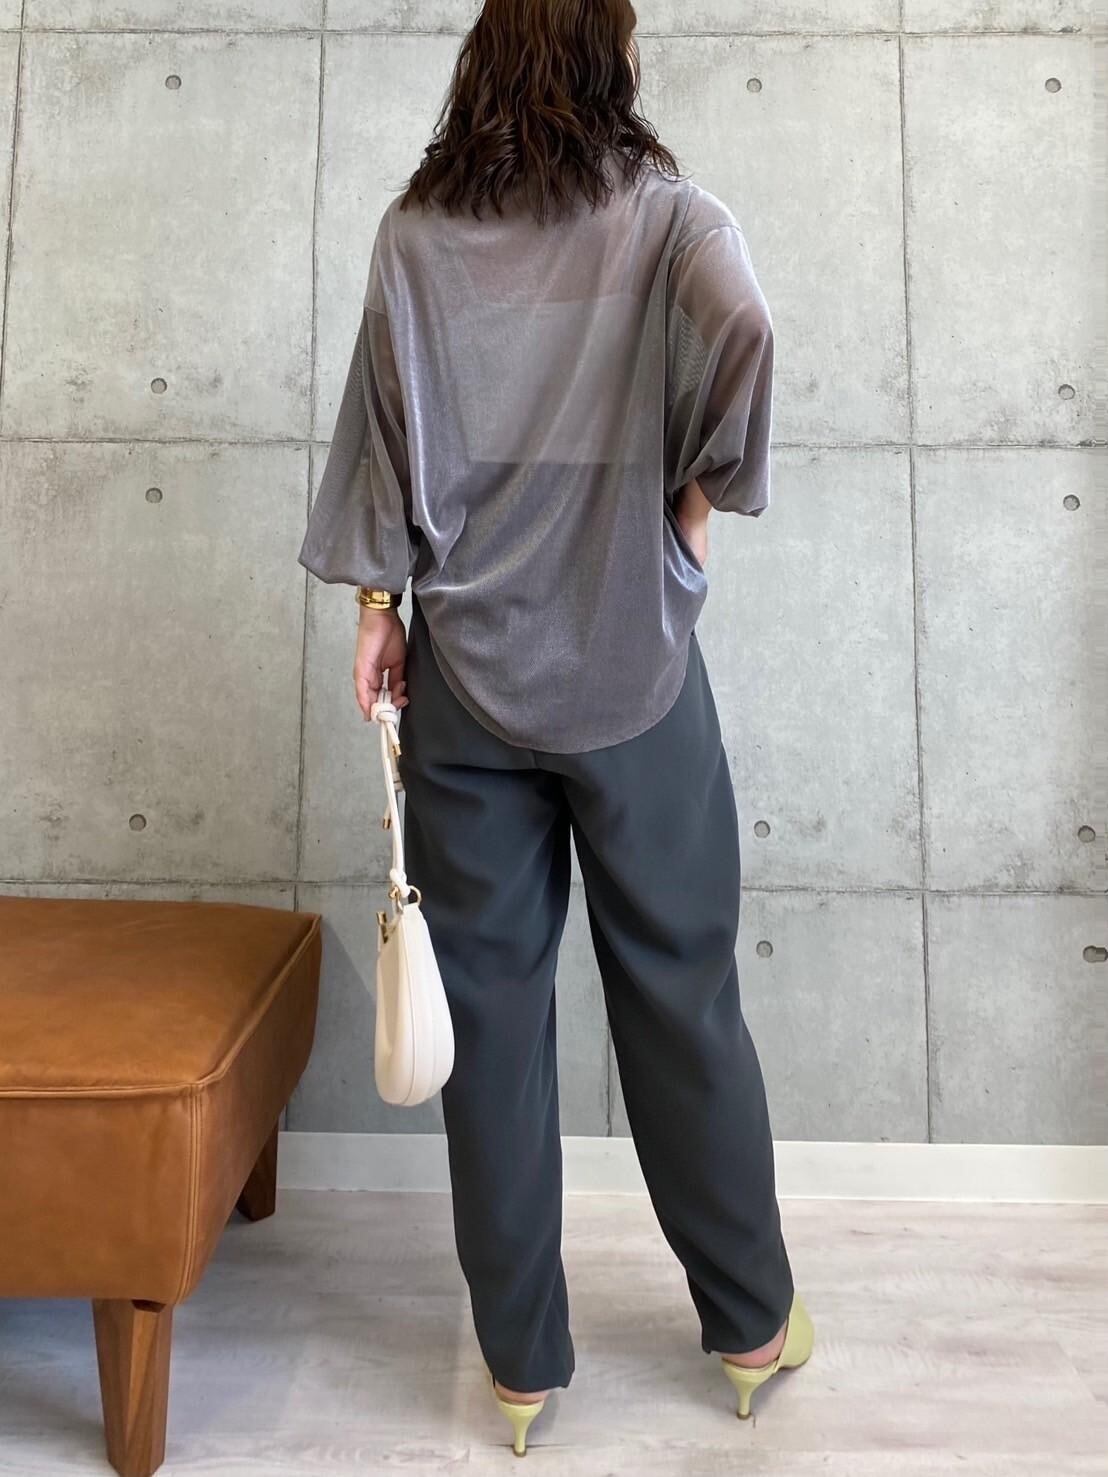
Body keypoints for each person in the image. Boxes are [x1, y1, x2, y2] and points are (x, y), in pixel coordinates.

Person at [298, 0, 813, 1455]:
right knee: (683, 1000)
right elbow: (752, 329)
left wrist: (379, 609)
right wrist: (689, 524)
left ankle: (521, 1367)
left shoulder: (416, 235)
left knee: (495, 1027)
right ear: (608, 54)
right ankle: (752, 1328)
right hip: (636, 679)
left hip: (467, 682)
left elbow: (384, 436)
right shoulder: (669, 220)